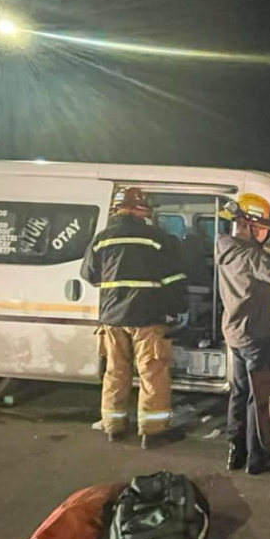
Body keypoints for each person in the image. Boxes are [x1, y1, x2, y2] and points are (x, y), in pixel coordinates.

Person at [81, 188, 188, 450]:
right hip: (147, 317)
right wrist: (179, 308)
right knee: (153, 373)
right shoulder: (154, 238)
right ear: (138, 208)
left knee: (115, 373)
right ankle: (152, 432)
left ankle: (114, 428)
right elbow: (173, 278)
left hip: (112, 318)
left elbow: (89, 275)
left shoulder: (101, 239)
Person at [216, 193, 270, 475]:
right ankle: (259, 459)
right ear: (252, 226)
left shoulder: (226, 247)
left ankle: (236, 451)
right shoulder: (250, 254)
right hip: (257, 334)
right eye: (265, 227)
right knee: (261, 397)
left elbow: (256, 265)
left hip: (235, 332)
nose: (269, 233)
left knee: (240, 393)